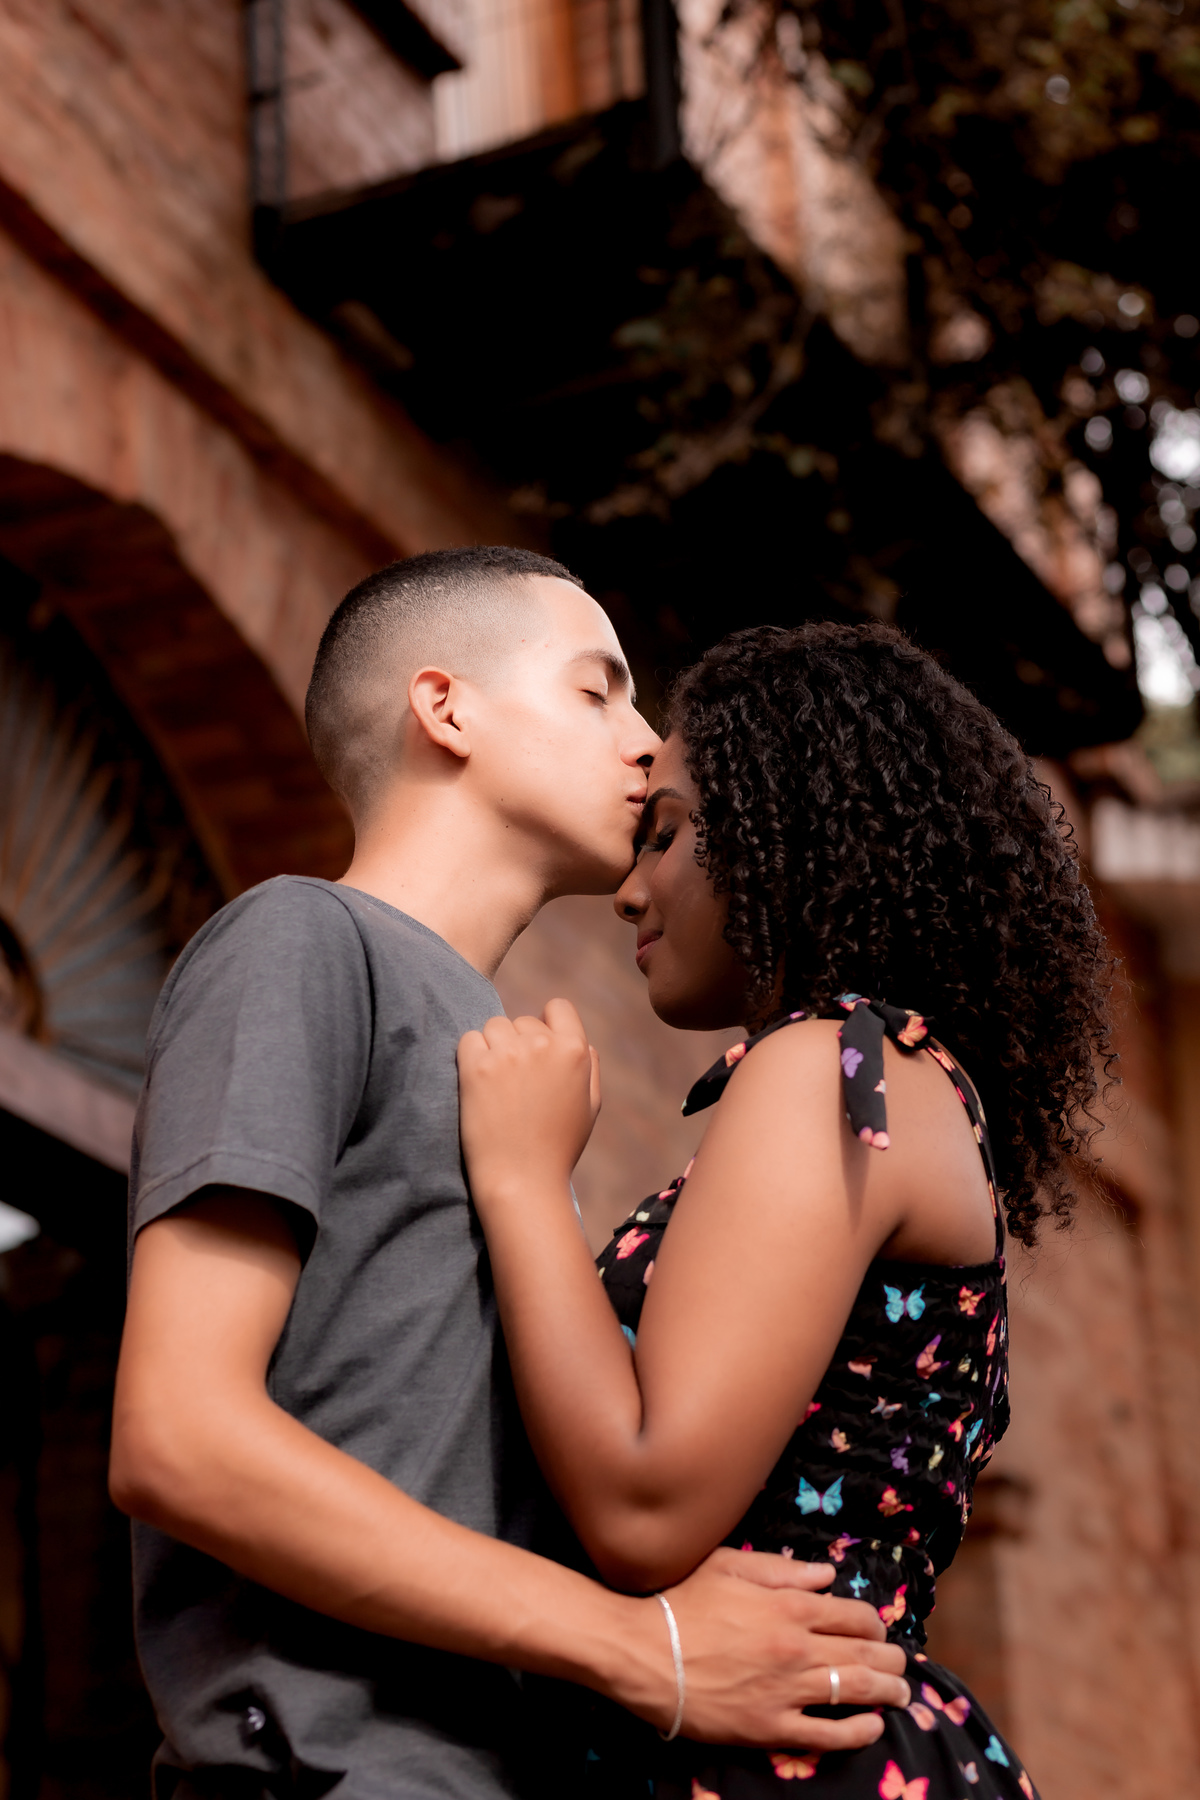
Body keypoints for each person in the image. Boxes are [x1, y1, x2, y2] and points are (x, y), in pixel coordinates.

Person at [109, 554, 911, 1800]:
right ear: (448, 709)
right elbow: (179, 1435)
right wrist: (641, 1648)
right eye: (600, 693)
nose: (648, 747)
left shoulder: (505, 1074)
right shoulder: (303, 941)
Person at [457, 620, 1114, 1799]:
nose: (630, 887)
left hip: (777, 1761)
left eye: (666, 835)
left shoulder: (834, 1066)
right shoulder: (897, 1084)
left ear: (785, 835)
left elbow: (646, 1506)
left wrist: (521, 1179)